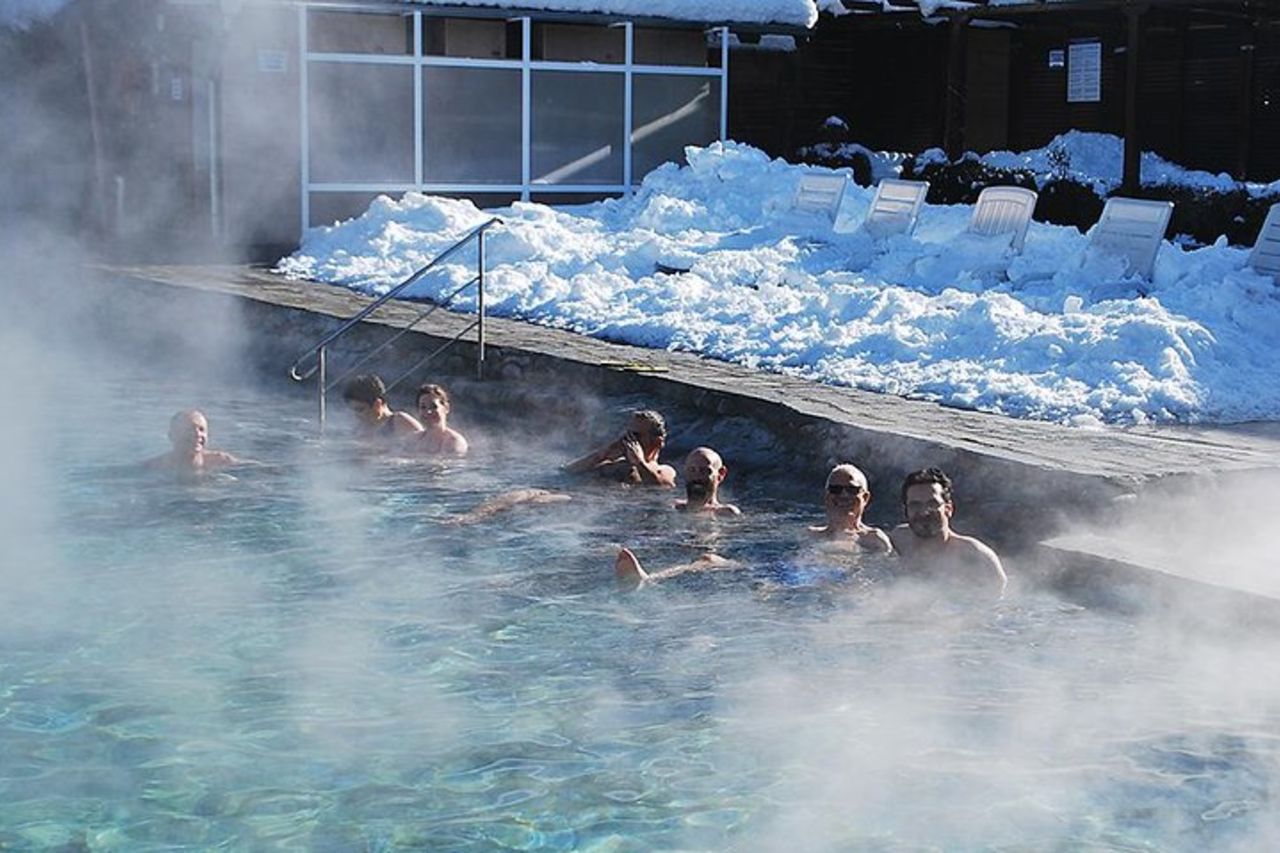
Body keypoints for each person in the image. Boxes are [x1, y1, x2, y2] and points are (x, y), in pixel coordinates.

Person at [889, 467, 1007, 594]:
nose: (924, 512)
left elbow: (996, 604)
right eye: (915, 505)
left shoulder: (976, 557)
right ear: (906, 511)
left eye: (933, 504)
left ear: (948, 509)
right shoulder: (899, 539)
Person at [563, 409, 677, 488]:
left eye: (635, 436)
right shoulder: (612, 463)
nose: (628, 440)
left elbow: (661, 487)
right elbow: (566, 472)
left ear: (657, 442)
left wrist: (639, 462)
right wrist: (601, 455)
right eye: (627, 434)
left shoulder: (664, 470)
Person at [809, 463, 892, 552]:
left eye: (852, 490)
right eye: (836, 489)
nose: (844, 495)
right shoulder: (811, 536)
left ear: (865, 498)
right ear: (826, 497)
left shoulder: (875, 540)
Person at [143, 409, 244, 474]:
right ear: (172, 436)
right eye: (189, 429)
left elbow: (254, 468)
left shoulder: (221, 461)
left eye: (201, 429)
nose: (197, 434)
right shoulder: (155, 466)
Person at [342, 374, 423, 442]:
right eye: (353, 410)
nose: (357, 415)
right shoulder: (359, 429)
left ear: (377, 404)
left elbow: (424, 445)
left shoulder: (399, 422)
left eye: (360, 410)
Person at [676, 447, 740, 516]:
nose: (697, 477)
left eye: (704, 471)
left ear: (721, 474)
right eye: (692, 470)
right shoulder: (674, 507)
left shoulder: (725, 513)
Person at [414, 383, 468, 456]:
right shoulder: (414, 439)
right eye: (423, 407)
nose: (428, 412)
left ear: (446, 408)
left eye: (434, 407)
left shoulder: (454, 441)